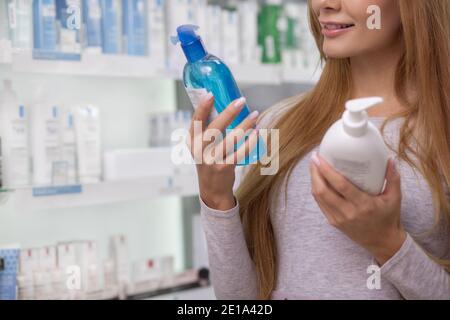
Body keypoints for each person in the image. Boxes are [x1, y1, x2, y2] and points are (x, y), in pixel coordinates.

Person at [188, 0, 450, 299]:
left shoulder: (441, 135)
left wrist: (387, 243)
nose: (325, 4)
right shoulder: (281, 126)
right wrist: (216, 198)